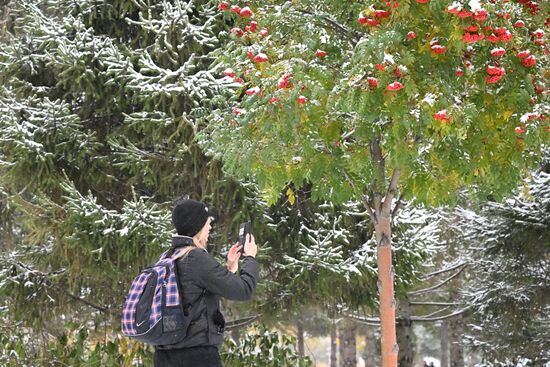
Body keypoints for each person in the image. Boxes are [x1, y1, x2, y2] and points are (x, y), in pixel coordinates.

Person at [153, 198, 260, 367]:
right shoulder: (195, 258)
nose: (210, 227)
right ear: (197, 227)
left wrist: (230, 267)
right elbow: (244, 290)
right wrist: (250, 258)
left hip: (164, 356)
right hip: (197, 357)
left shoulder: (167, 257)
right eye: (207, 223)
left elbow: (194, 295)